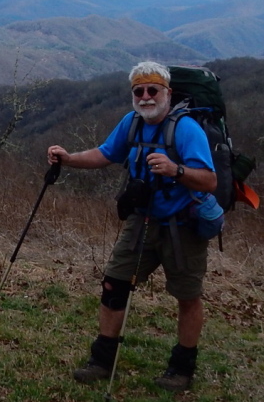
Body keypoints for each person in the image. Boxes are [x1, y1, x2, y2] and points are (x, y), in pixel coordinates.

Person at [47, 61, 218, 393]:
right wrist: (68, 159)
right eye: (138, 91)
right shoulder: (132, 123)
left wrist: (175, 170)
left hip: (183, 222)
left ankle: (182, 367)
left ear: (167, 93)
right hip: (143, 219)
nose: (145, 96)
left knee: (187, 295)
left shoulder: (186, 129)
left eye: (152, 90)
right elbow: (105, 154)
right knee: (114, 284)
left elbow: (209, 180)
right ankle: (101, 361)